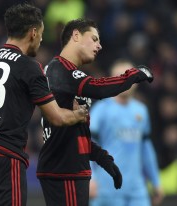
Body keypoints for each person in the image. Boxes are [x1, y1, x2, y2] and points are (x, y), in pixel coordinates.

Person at [0, 3, 88, 206]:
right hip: (5, 157)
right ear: (33, 32)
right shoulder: (29, 67)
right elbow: (57, 117)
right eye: (41, 33)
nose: (41, 39)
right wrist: (79, 114)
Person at [36, 18, 154, 206]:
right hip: (64, 169)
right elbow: (98, 88)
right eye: (94, 39)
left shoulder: (65, 75)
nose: (99, 46)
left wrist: (103, 159)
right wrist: (133, 75)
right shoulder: (60, 70)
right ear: (76, 35)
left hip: (69, 167)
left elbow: (74, 134)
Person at [89, 59, 164, 206]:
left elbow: (146, 149)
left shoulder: (141, 111)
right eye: (120, 76)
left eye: (129, 76)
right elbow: (86, 146)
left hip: (136, 190)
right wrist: (90, 178)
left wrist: (156, 181)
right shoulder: (101, 110)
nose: (126, 81)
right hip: (107, 189)